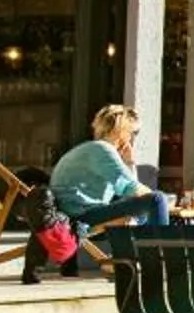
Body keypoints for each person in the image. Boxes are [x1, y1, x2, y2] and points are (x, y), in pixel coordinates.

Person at [35, 105, 168, 283]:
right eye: (133, 133)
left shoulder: (92, 149)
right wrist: (161, 203)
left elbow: (129, 192)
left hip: (73, 213)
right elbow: (133, 189)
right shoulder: (103, 150)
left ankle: (126, 259)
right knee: (157, 199)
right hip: (80, 217)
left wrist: (129, 162)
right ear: (121, 130)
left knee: (143, 210)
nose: (133, 138)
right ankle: (161, 261)